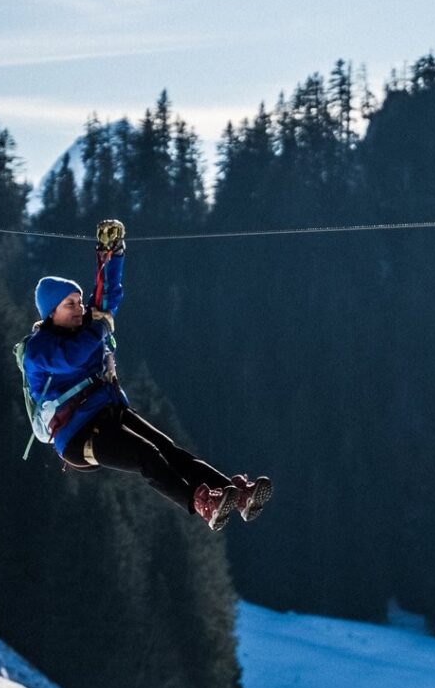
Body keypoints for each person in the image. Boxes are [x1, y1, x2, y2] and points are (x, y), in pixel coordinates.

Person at [21, 218, 272, 531]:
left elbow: (107, 296)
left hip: (107, 410)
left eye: (77, 301)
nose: (78, 309)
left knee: (169, 450)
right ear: (50, 312)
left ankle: (236, 497)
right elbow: (69, 360)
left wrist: (113, 252)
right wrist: (99, 328)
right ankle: (201, 502)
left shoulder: (87, 326)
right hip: (77, 434)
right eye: (69, 304)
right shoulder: (39, 348)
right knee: (147, 456)